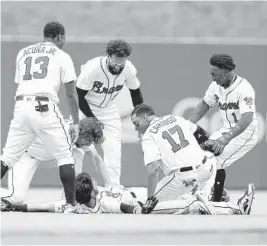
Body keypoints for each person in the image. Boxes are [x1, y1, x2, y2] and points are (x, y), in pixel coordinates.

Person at [0, 21, 80, 213]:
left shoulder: (23, 53)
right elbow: (71, 93)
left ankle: (70, 204)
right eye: (64, 38)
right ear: (59, 36)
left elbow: (22, 83)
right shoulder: (62, 56)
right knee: (64, 155)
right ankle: (71, 204)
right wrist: (76, 122)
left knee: (8, 157)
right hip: (43, 106)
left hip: (20, 105)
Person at [1, 172, 255, 216]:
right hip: (147, 201)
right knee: (192, 205)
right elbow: (125, 206)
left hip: (144, 193)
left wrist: (15, 207)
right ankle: (235, 208)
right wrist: (138, 210)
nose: (96, 182)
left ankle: (215, 196)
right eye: (92, 183)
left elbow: (44, 206)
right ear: (91, 192)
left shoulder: (73, 205)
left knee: (188, 193)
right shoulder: (105, 201)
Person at [188, 54, 259, 202]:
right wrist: (186, 125)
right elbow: (205, 105)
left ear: (226, 72)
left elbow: (247, 117)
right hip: (227, 128)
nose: (213, 78)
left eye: (215, 74)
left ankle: (216, 201)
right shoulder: (216, 86)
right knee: (202, 156)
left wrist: (225, 139)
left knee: (216, 160)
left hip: (246, 132)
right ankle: (222, 195)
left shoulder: (244, 88)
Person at [76, 39, 144, 186]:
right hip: (86, 106)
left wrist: (141, 117)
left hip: (109, 109)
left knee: (113, 150)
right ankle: (72, 192)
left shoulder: (128, 69)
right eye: (115, 63)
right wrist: (91, 119)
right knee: (78, 149)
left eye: (121, 64)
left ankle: (112, 189)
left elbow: (136, 94)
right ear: (108, 56)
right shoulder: (93, 69)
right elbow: (79, 96)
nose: (118, 67)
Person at [0, 118, 111, 205]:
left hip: (49, 157)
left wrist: (110, 186)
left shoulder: (80, 139)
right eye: (89, 141)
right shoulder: (60, 131)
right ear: (83, 133)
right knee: (17, 197)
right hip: (26, 155)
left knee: (77, 152)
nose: (88, 144)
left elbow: (98, 159)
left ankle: (72, 195)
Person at [131, 103, 217, 203]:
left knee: (151, 206)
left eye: (136, 123)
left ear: (144, 117)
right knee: (209, 156)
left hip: (184, 178)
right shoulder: (175, 118)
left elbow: (153, 169)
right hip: (207, 168)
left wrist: (150, 199)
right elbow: (201, 134)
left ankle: (192, 203)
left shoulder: (148, 135)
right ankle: (207, 192)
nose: (135, 128)